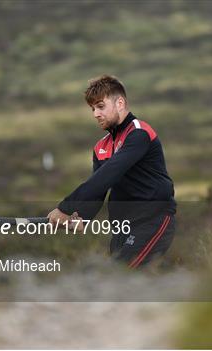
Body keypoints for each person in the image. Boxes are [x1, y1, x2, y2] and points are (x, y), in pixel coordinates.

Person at [47, 75, 176, 268]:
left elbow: (109, 174)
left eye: (100, 106)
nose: (95, 114)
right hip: (122, 227)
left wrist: (65, 208)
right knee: (117, 283)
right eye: (92, 109)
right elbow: (99, 189)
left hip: (152, 220)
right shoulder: (101, 147)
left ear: (120, 103)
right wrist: (79, 217)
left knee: (122, 275)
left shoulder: (139, 133)